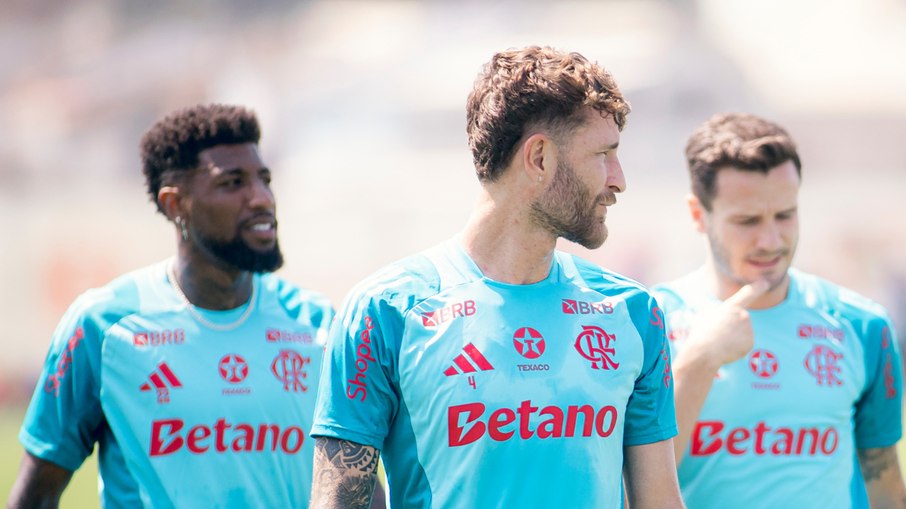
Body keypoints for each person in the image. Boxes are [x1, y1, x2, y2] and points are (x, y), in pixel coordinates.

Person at [309, 46, 684, 509]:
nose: (619, 179)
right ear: (540, 158)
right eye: (603, 154)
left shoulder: (632, 312)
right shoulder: (383, 312)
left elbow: (659, 503)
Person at [6, 104, 366, 508]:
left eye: (264, 180)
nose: (262, 199)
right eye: (234, 183)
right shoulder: (103, 326)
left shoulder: (316, 322)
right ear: (176, 205)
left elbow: (358, 486)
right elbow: (37, 492)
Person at [654, 112, 906, 508]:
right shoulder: (651, 322)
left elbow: (883, 477)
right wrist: (699, 362)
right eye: (747, 220)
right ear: (698, 216)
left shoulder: (863, 325)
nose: (771, 240)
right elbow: (632, 486)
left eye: (785, 215)